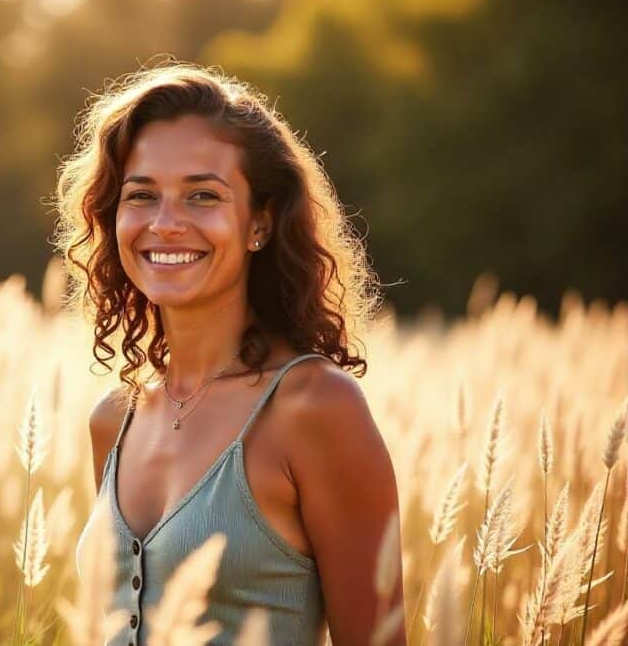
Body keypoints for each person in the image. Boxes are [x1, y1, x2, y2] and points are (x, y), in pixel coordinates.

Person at [51, 59, 405, 645]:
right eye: (141, 196)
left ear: (259, 223)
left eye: (202, 196)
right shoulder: (114, 419)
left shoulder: (315, 408)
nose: (165, 224)